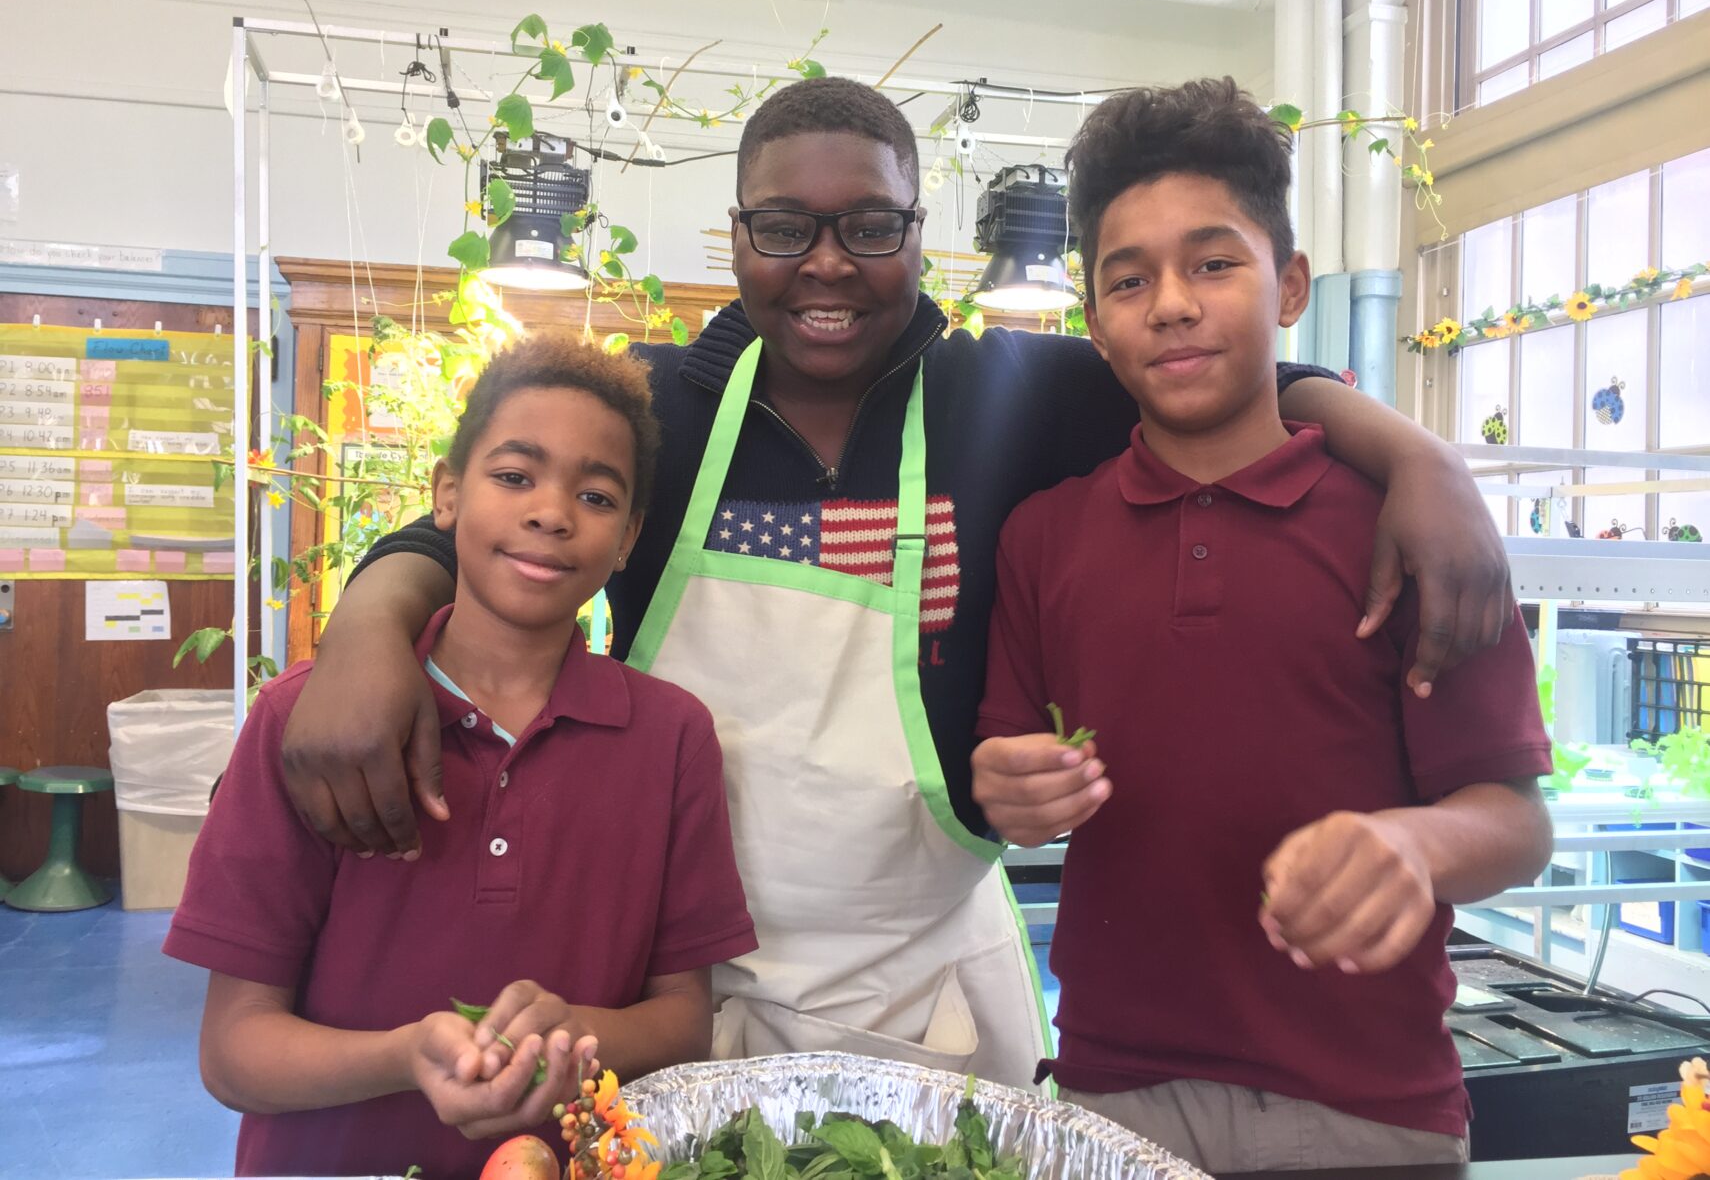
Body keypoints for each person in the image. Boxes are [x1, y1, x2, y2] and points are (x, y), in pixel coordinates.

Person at [276, 77, 1515, 1088]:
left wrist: (1416, 456)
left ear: (921, 236)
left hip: (927, 988)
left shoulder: (1013, 398)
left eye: (872, 226)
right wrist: (371, 622)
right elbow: (500, 525)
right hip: (664, 981)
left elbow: (1226, 383)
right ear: (739, 237)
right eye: (784, 227)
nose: (828, 264)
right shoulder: (659, 404)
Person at [971, 78, 1553, 1172]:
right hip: (1108, 1088)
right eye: (1128, 279)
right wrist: (1013, 788)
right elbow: (1008, 780)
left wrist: (1411, 841)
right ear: (1094, 322)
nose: (1173, 303)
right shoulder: (1045, 535)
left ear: (1288, 285)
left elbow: (1517, 823)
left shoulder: (1409, 528)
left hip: (1368, 1103)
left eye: (1213, 263)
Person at [163, 337, 756, 1179]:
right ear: (446, 493)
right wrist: (406, 1055)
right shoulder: (310, 722)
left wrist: (572, 1034)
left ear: (627, 538)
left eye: (593, 494)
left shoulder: (671, 737)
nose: (551, 512)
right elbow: (232, 1050)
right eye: (515, 476)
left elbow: (681, 1020)